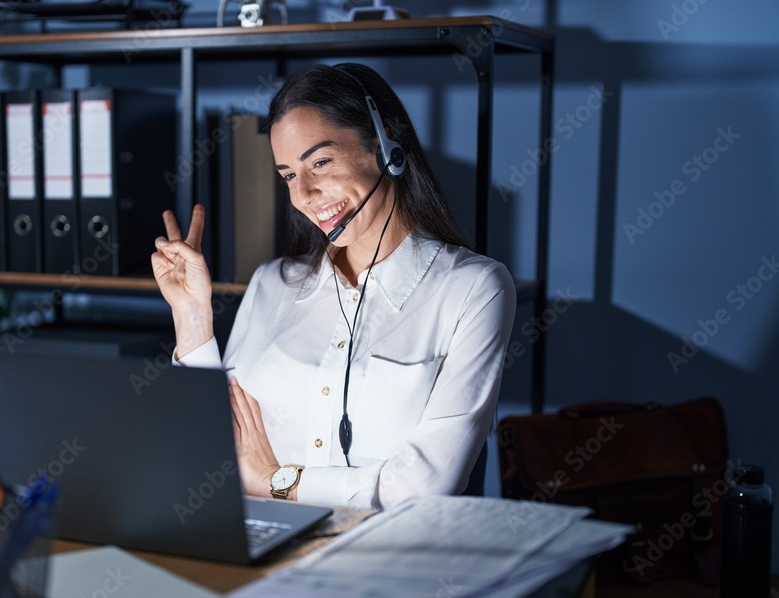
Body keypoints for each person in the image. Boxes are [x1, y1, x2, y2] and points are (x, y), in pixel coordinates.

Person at [151, 63, 516, 510]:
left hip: (386, 560)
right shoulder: (272, 283)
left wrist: (277, 481)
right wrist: (191, 318)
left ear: (386, 148)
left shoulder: (474, 289)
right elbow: (208, 455)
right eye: (287, 175)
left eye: (320, 162)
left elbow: (425, 487)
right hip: (258, 546)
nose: (302, 194)